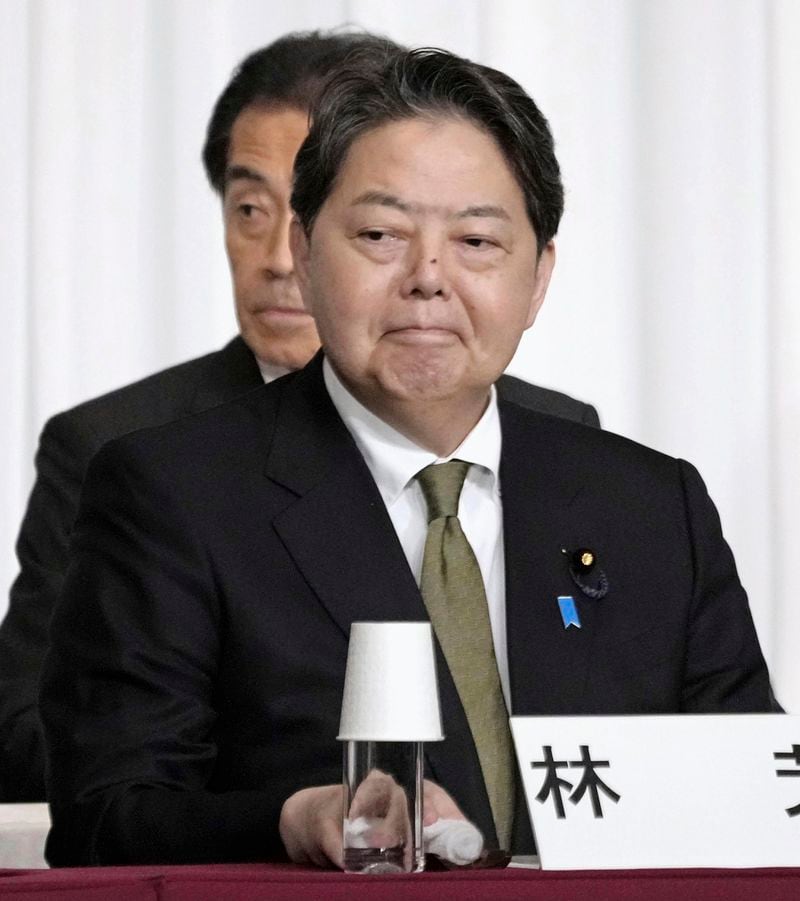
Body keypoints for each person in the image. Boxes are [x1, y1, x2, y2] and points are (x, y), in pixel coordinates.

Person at [41, 44, 775, 869]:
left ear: (538, 279)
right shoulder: (172, 491)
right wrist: (290, 819)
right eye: (382, 233)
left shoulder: (651, 504)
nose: (428, 278)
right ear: (308, 250)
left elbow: (751, 802)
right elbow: (106, 818)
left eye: (477, 241)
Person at [0, 33, 599, 804]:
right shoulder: (126, 455)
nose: (280, 257)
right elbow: (45, 737)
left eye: (470, 237)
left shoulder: (571, 446)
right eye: (251, 208)